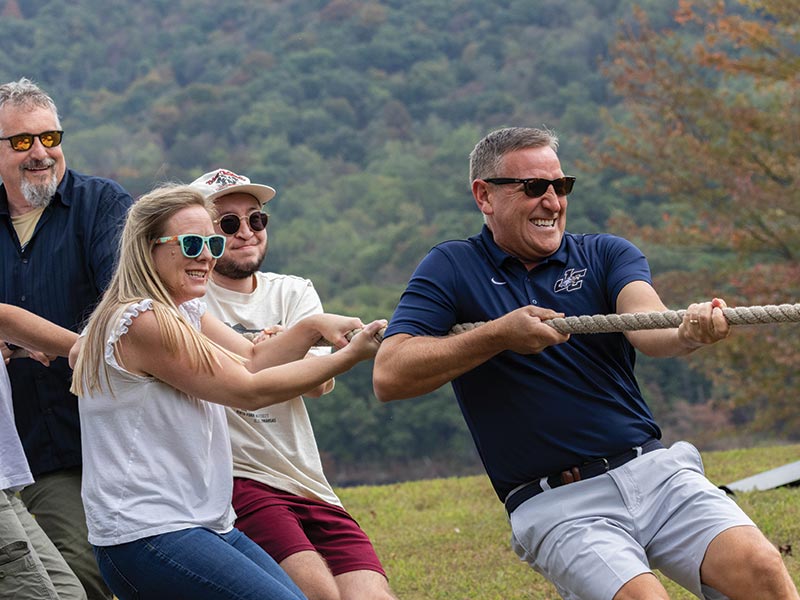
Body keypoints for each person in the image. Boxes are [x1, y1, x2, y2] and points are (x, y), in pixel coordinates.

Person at [372, 127, 799, 600]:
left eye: (561, 186)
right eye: (533, 187)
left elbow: (646, 324)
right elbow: (390, 374)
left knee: (763, 569)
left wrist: (686, 333)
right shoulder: (451, 267)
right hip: (558, 504)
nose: (552, 201)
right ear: (484, 196)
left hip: (654, 472)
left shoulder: (606, 253)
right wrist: (498, 335)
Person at [69, 183, 385, 600]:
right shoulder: (144, 321)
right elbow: (249, 389)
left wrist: (312, 327)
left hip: (205, 523)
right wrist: (351, 356)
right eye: (192, 243)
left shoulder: (183, 312)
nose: (207, 256)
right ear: (147, 248)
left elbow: (253, 359)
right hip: (148, 532)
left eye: (212, 242)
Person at [190, 168, 397, 600]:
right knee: (319, 594)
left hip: (308, 480)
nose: (246, 232)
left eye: (256, 219)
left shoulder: (293, 291)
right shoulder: (190, 299)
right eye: (228, 223)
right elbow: (250, 373)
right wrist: (292, 339)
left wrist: (284, 344)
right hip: (239, 478)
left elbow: (318, 384)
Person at [0, 77, 133, 600]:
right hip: (19, 442)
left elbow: (124, 307)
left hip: (98, 439)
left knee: (83, 575)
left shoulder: (102, 204)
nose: (40, 152)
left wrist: (48, 340)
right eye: (22, 141)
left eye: (50, 138)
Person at [0, 304, 86, 600]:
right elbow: (3, 317)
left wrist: (16, 344)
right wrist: (91, 348)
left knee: (68, 591)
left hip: (6, 481)